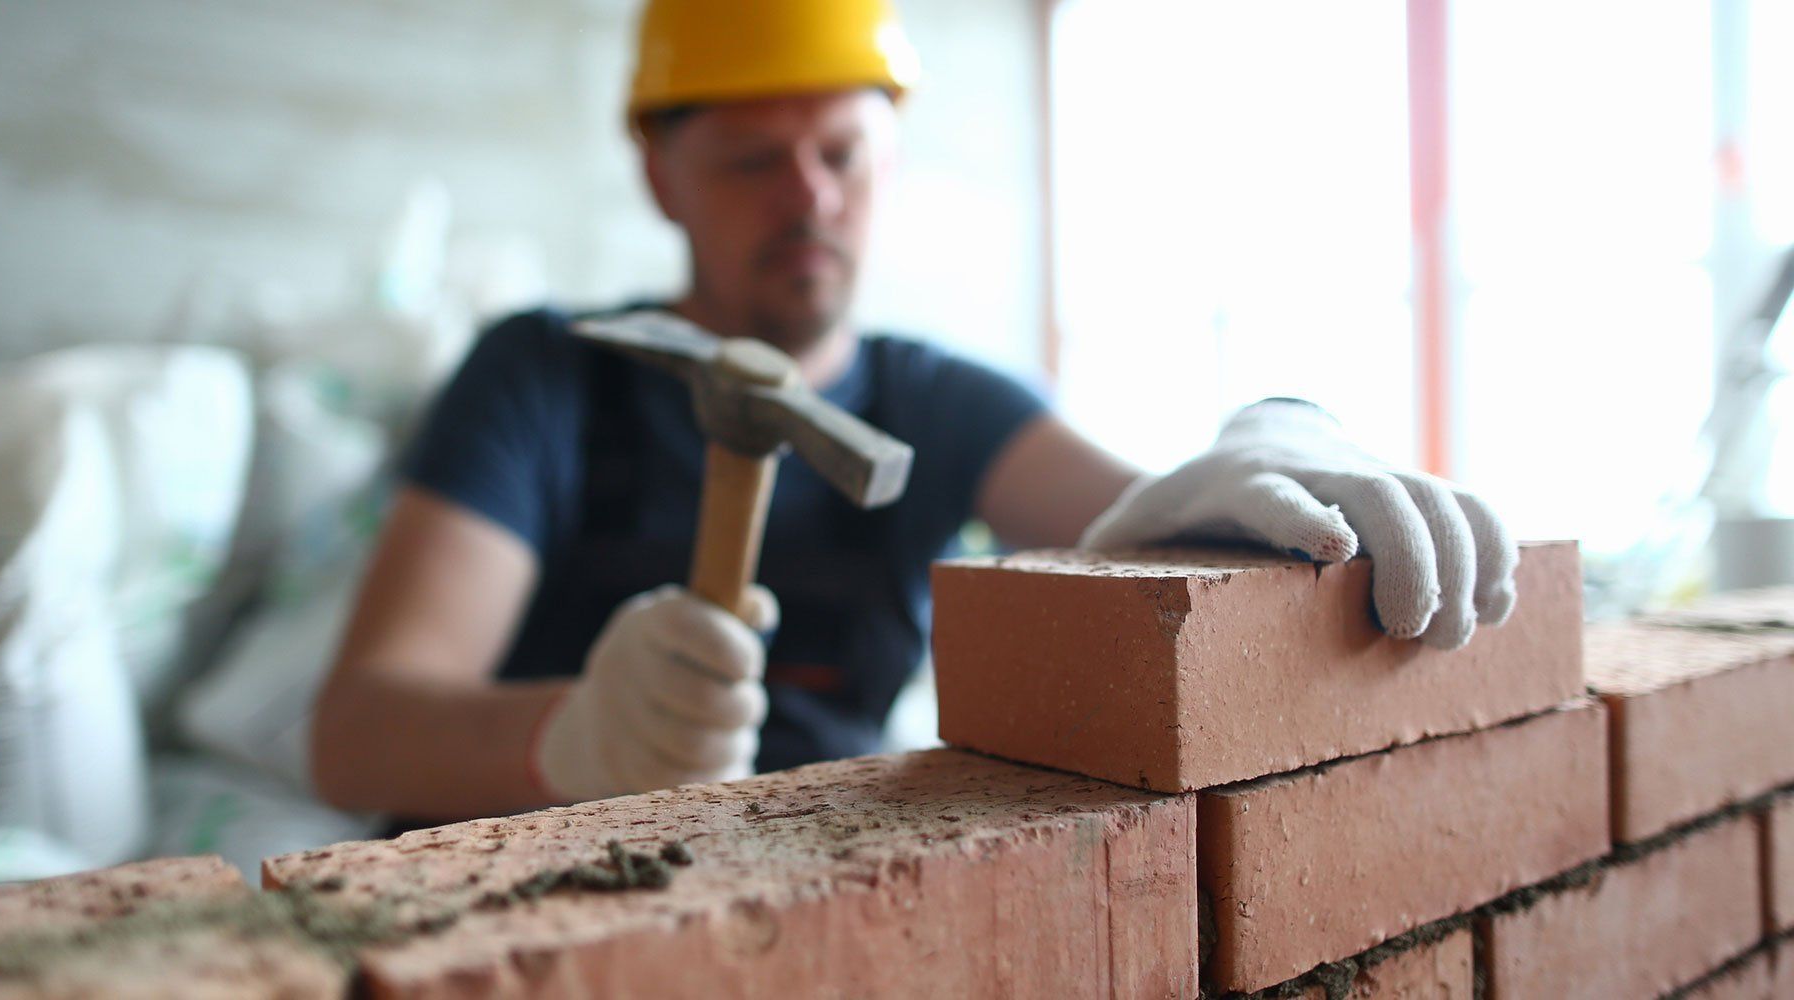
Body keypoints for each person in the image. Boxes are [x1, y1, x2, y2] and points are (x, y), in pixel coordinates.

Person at [310, 0, 1518, 823]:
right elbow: (357, 731)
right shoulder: (542, 374)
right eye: (750, 160)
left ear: (890, 154)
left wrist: (1272, 433)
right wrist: (570, 740)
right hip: (513, 884)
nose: (808, 198)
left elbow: (1158, 526)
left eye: (842, 150)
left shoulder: (942, 401)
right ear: (657, 175)